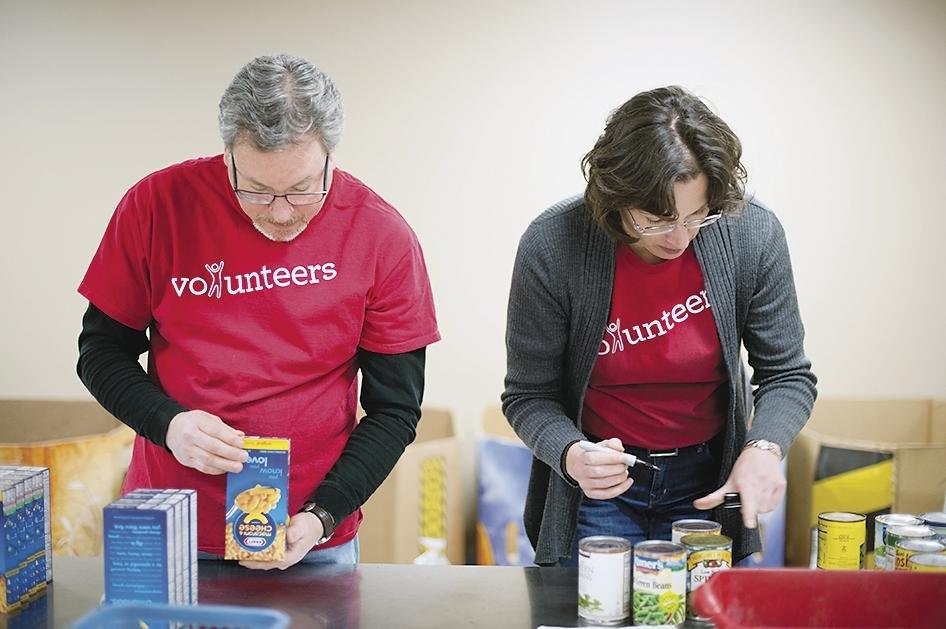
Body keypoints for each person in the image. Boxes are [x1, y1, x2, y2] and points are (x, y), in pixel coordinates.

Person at [77, 54, 440, 569]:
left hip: (310, 535)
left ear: (330, 155)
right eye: (255, 190)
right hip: (169, 521)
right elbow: (100, 353)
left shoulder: (383, 237)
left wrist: (321, 516)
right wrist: (169, 425)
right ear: (228, 154)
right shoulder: (156, 206)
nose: (280, 213)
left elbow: (395, 412)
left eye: (301, 189)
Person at [502, 85, 816, 566]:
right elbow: (528, 395)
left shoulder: (752, 231)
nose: (678, 237)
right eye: (656, 219)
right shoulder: (554, 243)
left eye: (697, 216)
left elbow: (787, 375)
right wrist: (570, 455)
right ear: (614, 199)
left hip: (707, 482)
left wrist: (764, 445)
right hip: (602, 488)